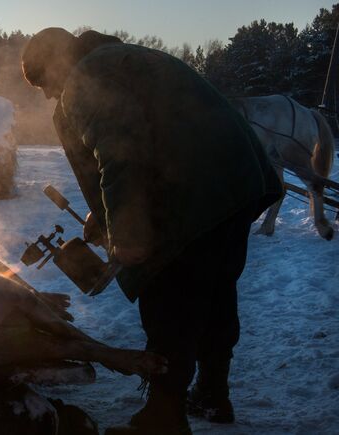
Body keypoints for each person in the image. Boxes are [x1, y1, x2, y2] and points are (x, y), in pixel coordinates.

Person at [22, 28, 282, 435]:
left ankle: (164, 416)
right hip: (237, 182)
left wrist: (126, 234)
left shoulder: (85, 78)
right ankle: (213, 392)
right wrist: (105, 216)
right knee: (215, 290)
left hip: (191, 193)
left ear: (56, 64)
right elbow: (151, 135)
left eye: (45, 83)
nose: (48, 96)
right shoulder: (129, 60)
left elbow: (121, 151)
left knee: (167, 298)